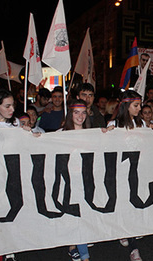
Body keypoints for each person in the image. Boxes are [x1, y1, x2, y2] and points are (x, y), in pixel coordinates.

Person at [0, 89, 33, 261]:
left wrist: (30, 135)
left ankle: (10, 247)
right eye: (7, 106)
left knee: (14, 206)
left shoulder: (16, 124)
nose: (12, 110)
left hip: (12, 172)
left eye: (13, 105)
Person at [106, 90, 146, 261]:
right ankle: (133, 246)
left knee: (133, 203)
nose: (139, 108)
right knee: (124, 204)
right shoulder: (114, 124)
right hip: (120, 173)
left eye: (140, 105)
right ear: (126, 106)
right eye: (136, 105)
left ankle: (127, 232)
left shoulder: (142, 123)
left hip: (137, 171)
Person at [60, 99, 91, 261]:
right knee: (75, 216)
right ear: (70, 113)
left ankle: (73, 245)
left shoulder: (91, 134)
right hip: (69, 181)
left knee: (82, 216)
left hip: (85, 180)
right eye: (76, 112)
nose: (80, 116)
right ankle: (84, 254)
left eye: (83, 112)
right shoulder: (61, 134)